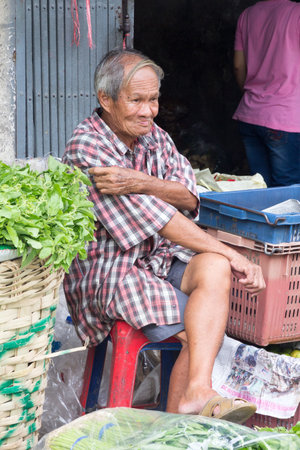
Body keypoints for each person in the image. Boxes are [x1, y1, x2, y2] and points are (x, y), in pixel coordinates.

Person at [62, 48, 265, 423]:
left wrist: (141, 182)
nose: (148, 111)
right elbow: (160, 219)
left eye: (153, 99)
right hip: (110, 271)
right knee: (200, 330)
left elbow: (190, 198)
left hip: (156, 259)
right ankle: (179, 423)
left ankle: (194, 394)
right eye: (136, 100)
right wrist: (236, 253)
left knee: (214, 266)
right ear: (105, 99)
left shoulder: (154, 136)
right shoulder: (87, 146)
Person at [233, 0, 300, 187]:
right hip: (286, 118)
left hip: (250, 113)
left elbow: (238, 66)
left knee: (260, 188)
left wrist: (254, 94)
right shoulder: (296, 13)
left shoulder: (246, 15)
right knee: (289, 194)